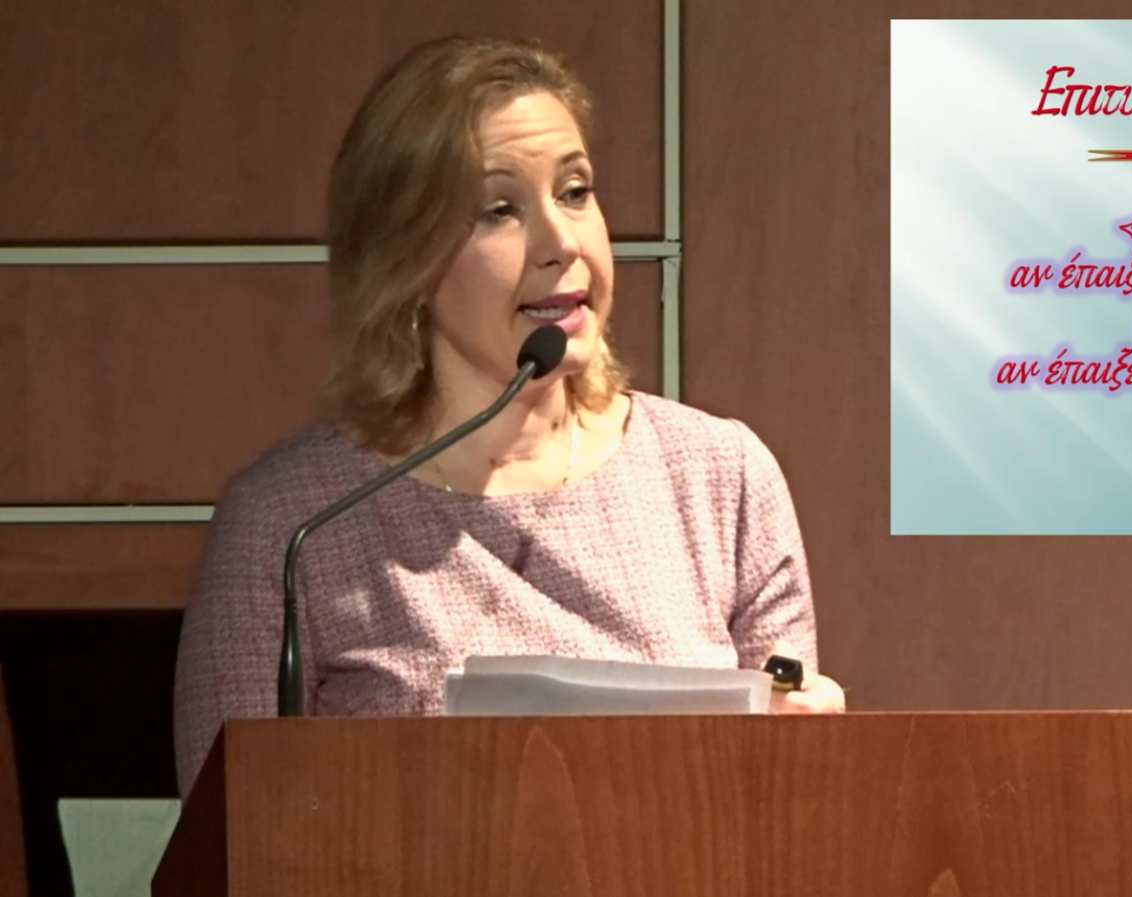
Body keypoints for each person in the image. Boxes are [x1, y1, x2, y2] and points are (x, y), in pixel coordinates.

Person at [171, 35, 845, 800]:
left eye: (575, 191)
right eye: (500, 209)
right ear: (407, 261)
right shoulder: (296, 524)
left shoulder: (721, 477)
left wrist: (808, 758)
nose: (563, 243)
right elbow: (227, 837)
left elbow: (791, 820)